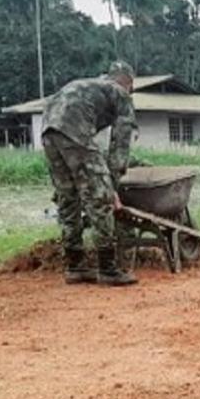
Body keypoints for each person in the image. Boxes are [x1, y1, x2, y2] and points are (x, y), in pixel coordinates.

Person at [41, 61, 139, 286]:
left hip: (49, 130)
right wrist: (112, 182)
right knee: (100, 199)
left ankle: (75, 266)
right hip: (73, 129)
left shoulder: (91, 87)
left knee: (68, 198)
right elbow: (121, 140)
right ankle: (108, 269)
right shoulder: (121, 93)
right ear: (129, 83)